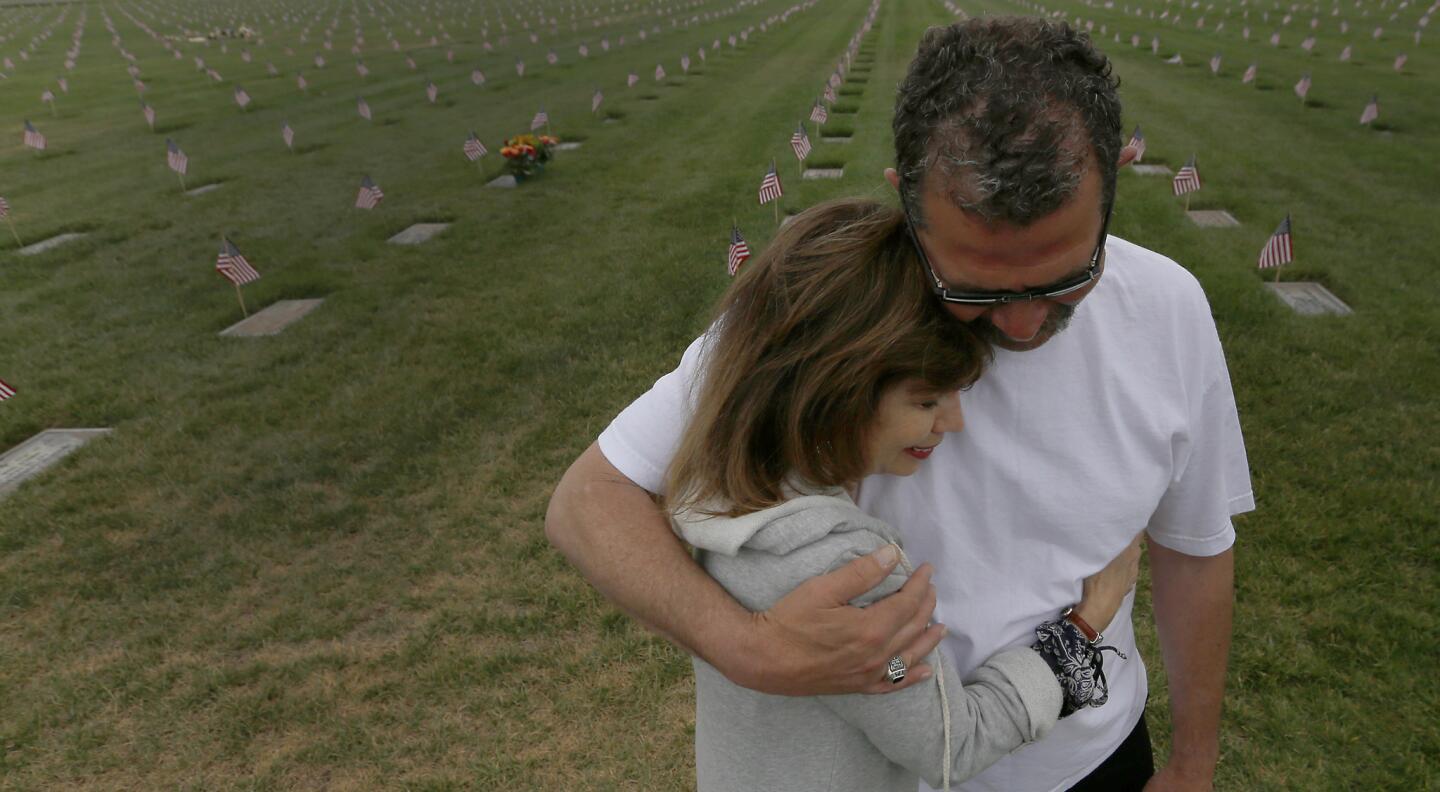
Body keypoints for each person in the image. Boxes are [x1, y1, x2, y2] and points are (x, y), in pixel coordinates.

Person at [547, 17, 1253, 792]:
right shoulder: (832, 316)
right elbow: (590, 499)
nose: (1021, 324)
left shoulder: (1171, 309)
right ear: (906, 201)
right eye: (975, 284)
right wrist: (748, 646)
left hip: (1098, 759)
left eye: (1062, 277)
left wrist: (1194, 761)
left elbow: (1193, 547)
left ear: (1118, 178)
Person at [666, 196, 1144, 790]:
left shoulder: (721, 484)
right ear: (833, 391)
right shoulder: (842, 568)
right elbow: (951, 742)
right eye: (926, 400)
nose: (954, 422)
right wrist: (1085, 627)